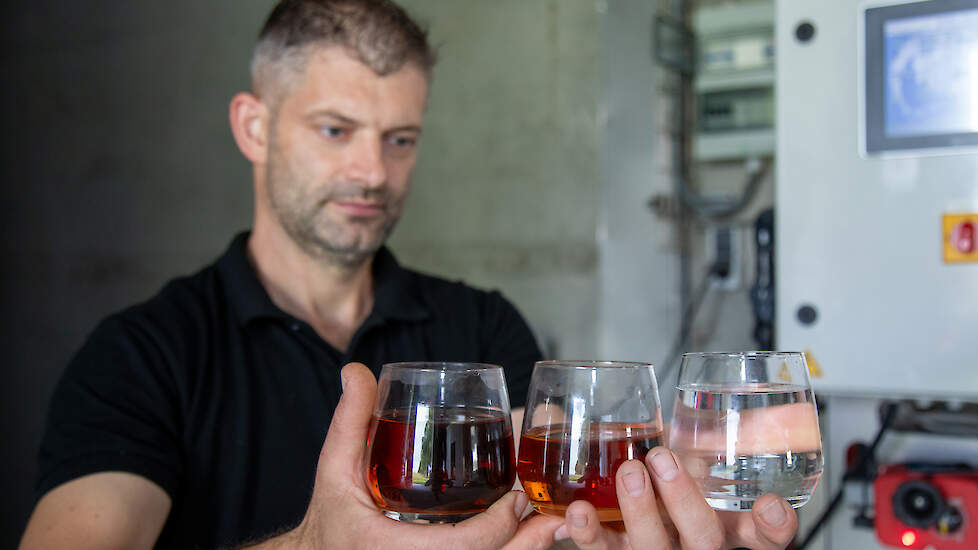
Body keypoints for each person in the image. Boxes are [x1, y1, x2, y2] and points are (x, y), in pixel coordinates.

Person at [19, 1, 799, 549]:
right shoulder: (144, 356)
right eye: (336, 130)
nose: (371, 171)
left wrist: (648, 507)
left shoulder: (484, 327)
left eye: (400, 139)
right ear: (254, 127)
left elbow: (562, 504)